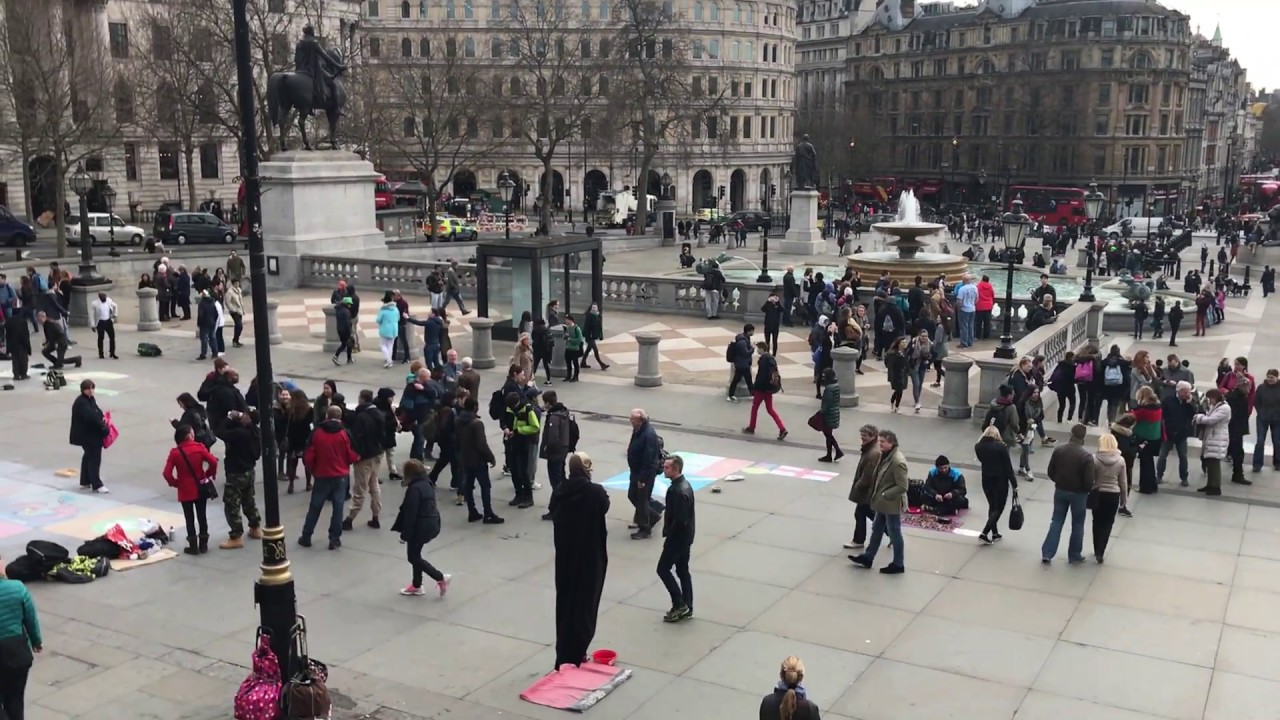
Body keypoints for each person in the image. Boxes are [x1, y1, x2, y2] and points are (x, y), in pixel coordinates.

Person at [549, 452, 610, 668]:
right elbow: (604, 506)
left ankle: (564, 653)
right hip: (589, 557)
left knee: (566, 604)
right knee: (586, 605)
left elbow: (553, 510)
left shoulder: (560, 490)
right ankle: (578, 650)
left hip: (566, 558)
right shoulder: (595, 492)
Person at [300, 405, 360, 550]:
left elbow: (309, 455)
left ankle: (307, 536)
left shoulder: (317, 433)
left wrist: (312, 468)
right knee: (338, 507)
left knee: (315, 506)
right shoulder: (344, 433)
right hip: (340, 475)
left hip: (321, 474)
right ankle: (334, 539)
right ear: (340, 417)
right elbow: (351, 454)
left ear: (326, 415)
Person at [848, 429, 908, 573]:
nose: (879, 444)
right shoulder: (885, 456)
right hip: (882, 502)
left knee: (894, 532)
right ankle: (868, 557)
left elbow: (902, 486)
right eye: (879, 441)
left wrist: (885, 495)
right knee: (877, 529)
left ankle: (898, 564)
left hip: (890, 503)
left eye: (882, 441)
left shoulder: (897, 461)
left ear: (891, 443)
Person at [395, 459, 451, 597]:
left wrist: (405, 534)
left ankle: (440, 577)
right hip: (430, 523)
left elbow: (410, 515)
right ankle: (416, 584)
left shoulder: (414, 489)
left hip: (420, 527)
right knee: (416, 555)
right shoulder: (426, 483)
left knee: (413, 557)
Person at [1041, 423, 1095, 565]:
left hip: (1060, 490)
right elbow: (1089, 481)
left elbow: (1050, 471)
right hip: (1079, 494)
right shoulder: (1086, 456)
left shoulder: (1059, 450)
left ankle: (1047, 552)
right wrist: (1084, 489)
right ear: (1083, 437)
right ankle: (1074, 554)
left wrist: (1058, 481)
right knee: (1077, 524)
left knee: (1056, 520)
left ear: (1071, 434)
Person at [163, 424, 219, 555]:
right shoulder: (199, 448)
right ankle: (204, 544)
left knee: (189, 518)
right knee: (202, 516)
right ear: (189, 436)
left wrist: (175, 483)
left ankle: (193, 545)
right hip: (200, 487)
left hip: (185, 489)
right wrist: (209, 474)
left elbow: (166, 473)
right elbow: (214, 462)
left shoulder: (175, 453)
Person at [0, 559, 42, 720]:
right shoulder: (17, 588)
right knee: (15, 700)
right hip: (17, 653)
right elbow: (30, 618)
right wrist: (36, 641)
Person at [215, 408, 262, 549]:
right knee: (248, 499)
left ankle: (236, 536)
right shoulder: (255, 431)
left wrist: (229, 418)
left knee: (232, 504)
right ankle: (255, 526)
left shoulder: (240, 434)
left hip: (236, 472)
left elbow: (219, 432)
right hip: (249, 471)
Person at [656, 454, 695, 622]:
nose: (664, 469)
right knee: (682, 570)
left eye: (667, 467)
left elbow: (679, 520)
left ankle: (679, 604)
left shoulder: (677, 491)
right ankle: (688, 604)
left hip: (677, 539)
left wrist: (669, 534)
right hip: (686, 537)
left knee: (663, 569)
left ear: (676, 469)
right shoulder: (684, 486)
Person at [456, 396, 504, 523]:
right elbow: (481, 444)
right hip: (478, 460)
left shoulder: (458, 421)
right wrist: (491, 457)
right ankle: (488, 512)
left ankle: (472, 511)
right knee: (485, 486)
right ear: (475, 407)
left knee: (468, 486)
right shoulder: (477, 424)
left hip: (465, 458)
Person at [344, 389, 386, 531]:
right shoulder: (378, 414)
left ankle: (350, 518)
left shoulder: (361, 416)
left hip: (365, 456)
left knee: (360, 488)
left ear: (361, 398)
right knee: (374, 485)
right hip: (377, 453)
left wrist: (357, 454)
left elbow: (357, 437)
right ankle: (376, 516)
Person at [974, 425, 1017, 544]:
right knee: (998, 508)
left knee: (992, 506)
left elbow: (982, 460)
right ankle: (984, 533)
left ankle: (995, 533)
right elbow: (1008, 467)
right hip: (1000, 481)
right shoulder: (1001, 447)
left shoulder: (978, 446)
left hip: (986, 479)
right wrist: (1014, 484)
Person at [626, 408, 663, 539]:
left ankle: (646, 526)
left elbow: (648, 460)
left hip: (644, 473)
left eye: (633, 419)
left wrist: (642, 479)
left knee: (641, 499)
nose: (630, 421)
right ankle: (651, 512)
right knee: (634, 496)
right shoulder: (638, 430)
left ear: (640, 421)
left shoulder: (648, 435)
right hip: (636, 470)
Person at [1091, 434, 1127, 563]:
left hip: (1098, 493)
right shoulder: (1121, 460)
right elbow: (1123, 482)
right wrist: (1123, 500)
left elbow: (1091, 478)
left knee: (1096, 522)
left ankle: (1096, 549)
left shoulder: (1094, 459)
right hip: (1113, 494)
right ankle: (1101, 550)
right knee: (1108, 523)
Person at [69, 379, 109, 493]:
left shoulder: (89, 399)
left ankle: (85, 480)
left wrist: (102, 417)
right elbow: (91, 418)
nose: (91, 391)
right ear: (83, 389)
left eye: (92, 388)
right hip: (88, 435)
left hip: (88, 434)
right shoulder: (82, 402)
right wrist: (102, 426)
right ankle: (97, 484)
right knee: (94, 458)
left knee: (88, 456)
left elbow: (97, 411)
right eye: (88, 388)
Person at [844, 424, 880, 549]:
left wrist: (858, 486)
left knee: (862, 512)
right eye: (862, 435)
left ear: (873, 436)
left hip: (867, 490)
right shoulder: (870, 449)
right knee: (867, 513)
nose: (862, 438)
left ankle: (858, 540)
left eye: (864, 436)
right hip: (868, 489)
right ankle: (890, 532)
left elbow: (868, 475)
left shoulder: (873, 452)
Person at [744, 341, 788, 440]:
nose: (757, 351)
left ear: (762, 349)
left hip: (761, 389)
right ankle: (782, 428)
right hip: (769, 388)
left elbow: (761, 376)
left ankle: (752, 426)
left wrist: (755, 388)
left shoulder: (763, 360)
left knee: (755, 407)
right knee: (770, 409)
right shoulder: (772, 359)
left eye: (758, 349)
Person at [1130, 385, 1163, 494]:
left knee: (1144, 464)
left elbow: (1131, 417)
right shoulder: (1158, 407)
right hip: (1155, 439)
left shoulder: (1144, 410)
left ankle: (1145, 487)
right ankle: (1152, 485)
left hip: (1144, 439)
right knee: (1150, 463)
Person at [1253, 369, 1280, 472]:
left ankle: (1278, 462)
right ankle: (1257, 464)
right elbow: (1256, 401)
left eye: (1272, 377)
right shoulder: (1261, 388)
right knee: (1260, 441)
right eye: (1268, 377)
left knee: (1277, 442)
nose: (1269, 379)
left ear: (1277, 377)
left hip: (1277, 419)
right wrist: (1260, 412)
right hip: (1263, 418)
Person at [815, 368, 842, 462]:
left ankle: (834, 453)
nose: (823, 378)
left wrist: (821, 412)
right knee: (828, 435)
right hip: (834, 413)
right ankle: (833, 453)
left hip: (829, 415)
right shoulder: (836, 386)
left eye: (824, 376)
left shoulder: (829, 389)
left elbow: (826, 403)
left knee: (828, 435)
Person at [727, 324, 755, 402]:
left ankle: (753, 394)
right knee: (740, 379)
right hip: (742, 364)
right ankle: (731, 395)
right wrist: (752, 349)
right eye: (752, 331)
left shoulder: (745, 339)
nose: (753, 332)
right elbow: (745, 353)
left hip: (742, 363)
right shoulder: (742, 342)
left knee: (746, 379)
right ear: (748, 331)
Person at [5, 298, 31, 380]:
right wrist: (28, 346)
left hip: (13, 343)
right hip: (22, 343)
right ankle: (23, 374)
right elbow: (25, 334)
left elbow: (7, 333)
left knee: (15, 359)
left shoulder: (8, 321)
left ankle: (16, 375)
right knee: (23, 359)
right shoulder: (23, 321)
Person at [884, 336, 909, 413]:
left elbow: (906, 362)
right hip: (896, 374)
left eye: (905, 342)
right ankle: (896, 406)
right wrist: (891, 375)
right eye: (902, 342)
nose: (904, 344)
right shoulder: (893, 353)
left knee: (899, 390)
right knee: (899, 390)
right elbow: (890, 365)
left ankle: (894, 403)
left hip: (903, 373)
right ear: (898, 343)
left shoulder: (905, 352)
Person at [90, 290, 118, 360]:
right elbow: (92, 315)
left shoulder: (109, 301)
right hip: (100, 322)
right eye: (103, 297)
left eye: (105, 297)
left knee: (112, 337)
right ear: (99, 297)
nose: (104, 298)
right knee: (101, 338)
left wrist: (115, 315)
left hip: (108, 321)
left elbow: (115, 306)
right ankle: (101, 353)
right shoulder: (95, 304)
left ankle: (112, 352)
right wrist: (93, 325)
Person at [375, 291, 400, 369]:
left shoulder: (383, 310)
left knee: (383, 346)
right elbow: (398, 318)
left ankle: (389, 361)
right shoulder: (396, 309)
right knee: (390, 346)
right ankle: (389, 360)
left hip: (385, 329)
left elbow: (378, 320)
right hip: (394, 329)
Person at [581, 304, 609, 370]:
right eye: (593, 307)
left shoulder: (598, 316)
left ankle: (582, 363)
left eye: (595, 307)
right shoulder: (589, 316)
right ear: (591, 308)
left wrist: (600, 335)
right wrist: (586, 335)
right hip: (589, 336)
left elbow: (599, 327)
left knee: (588, 350)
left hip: (594, 336)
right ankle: (602, 364)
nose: (594, 308)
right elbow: (586, 327)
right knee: (595, 350)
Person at [332, 296, 355, 365]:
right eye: (349, 304)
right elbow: (348, 323)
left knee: (347, 344)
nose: (350, 305)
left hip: (339, 329)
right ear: (346, 304)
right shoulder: (346, 312)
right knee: (345, 344)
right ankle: (336, 356)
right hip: (345, 330)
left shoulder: (338, 309)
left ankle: (349, 359)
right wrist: (350, 332)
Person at [563, 314, 584, 382]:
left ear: (570, 320)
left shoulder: (576, 329)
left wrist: (570, 340)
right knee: (568, 363)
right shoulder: (567, 328)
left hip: (575, 349)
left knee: (575, 363)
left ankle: (575, 376)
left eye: (566, 320)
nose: (565, 321)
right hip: (568, 348)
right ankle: (568, 376)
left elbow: (579, 339)